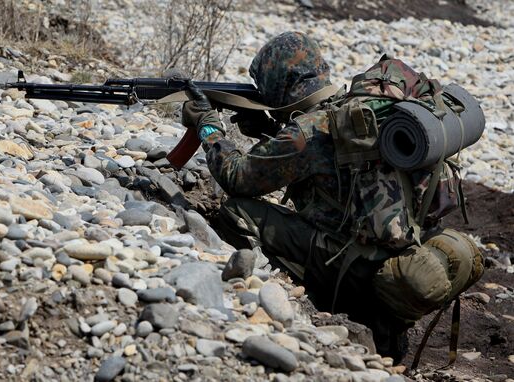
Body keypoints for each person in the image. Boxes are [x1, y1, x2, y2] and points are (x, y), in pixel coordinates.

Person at [180, 31, 482, 362]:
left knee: (238, 211)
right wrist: (271, 130)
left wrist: (208, 126)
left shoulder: (309, 130)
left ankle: (309, 297)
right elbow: (332, 170)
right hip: (403, 256)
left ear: (282, 85)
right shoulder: (364, 113)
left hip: (355, 268)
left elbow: (236, 176)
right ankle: (379, 319)